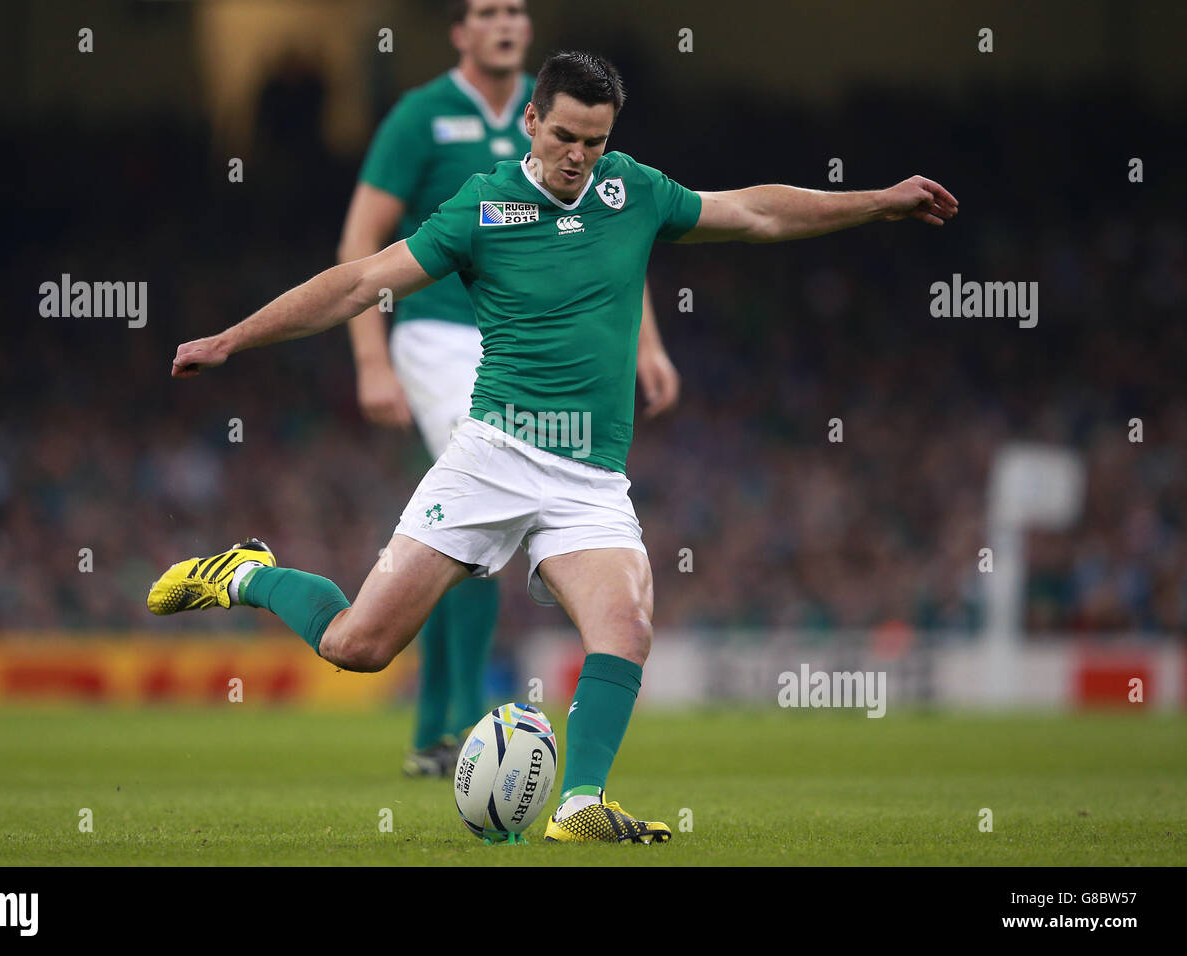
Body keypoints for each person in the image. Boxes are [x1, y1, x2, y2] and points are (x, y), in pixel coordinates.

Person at [148, 51, 957, 843]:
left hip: (589, 479)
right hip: (493, 455)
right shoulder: (481, 207)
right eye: (564, 135)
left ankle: (580, 805)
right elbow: (361, 282)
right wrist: (233, 337)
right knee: (357, 646)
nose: (578, 155)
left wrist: (876, 202)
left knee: (626, 627)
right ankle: (249, 574)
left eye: (594, 140)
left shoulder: (632, 190)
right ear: (531, 121)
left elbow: (754, 211)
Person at [338, 0, 679, 776]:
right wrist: (370, 359)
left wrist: (647, 345)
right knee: (484, 506)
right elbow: (363, 245)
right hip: (439, 335)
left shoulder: (571, 109)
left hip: (533, 345)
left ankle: (447, 730)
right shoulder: (421, 117)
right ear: (460, 30)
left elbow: (612, 251)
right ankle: (449, 722)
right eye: (487, 10)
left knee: (487, 529)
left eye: (516, 10)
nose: (505, 22)